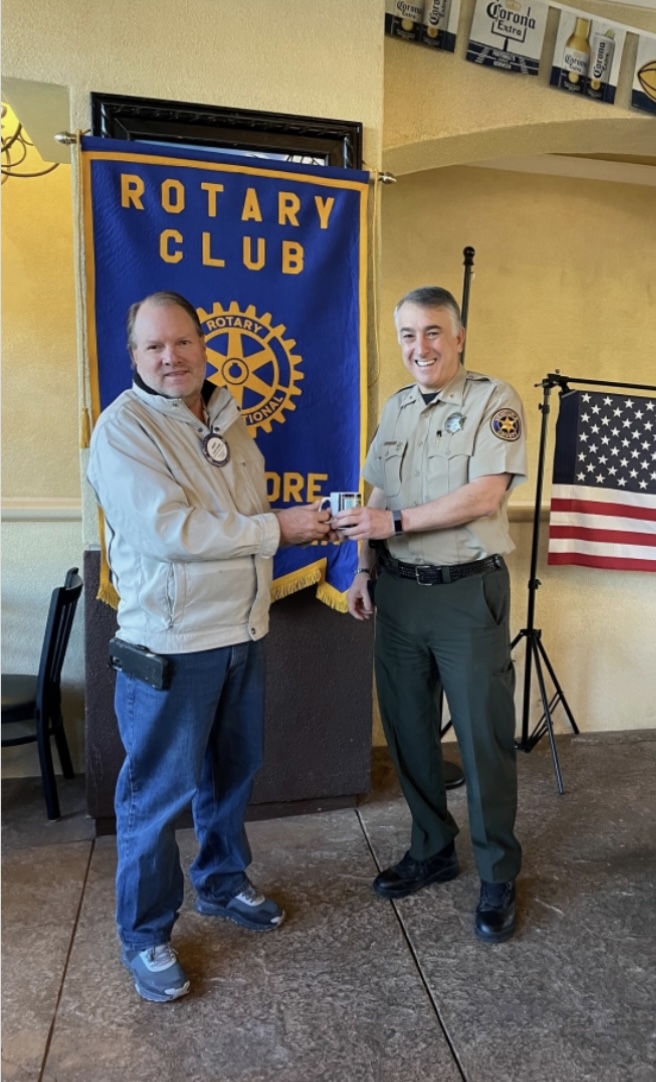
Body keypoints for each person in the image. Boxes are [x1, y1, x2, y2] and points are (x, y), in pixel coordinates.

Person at [87, 290, 332, 1002]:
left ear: (204, 343)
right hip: (171, 645)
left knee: (233, 773)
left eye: (183, 342)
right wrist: (278, 531)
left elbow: (241, 514)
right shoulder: (123, 429)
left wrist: (291, 532)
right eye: (154, 347)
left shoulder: (228, 417)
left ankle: (222, 883)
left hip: (240, 634)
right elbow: (172, 532)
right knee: (156, 797)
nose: (172, 357)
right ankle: (147, 934)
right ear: (132, 356)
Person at [336, 285, 527, 944]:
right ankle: (432, 849)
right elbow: (377, 493)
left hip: (465, 593)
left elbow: (485, 493)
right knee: (410, 732)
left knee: (482, 739)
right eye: (409, 335)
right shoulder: (396, 409)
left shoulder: (492, 400)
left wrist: (397, 521)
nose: (421, 347)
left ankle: (499, 870)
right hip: (399, 592)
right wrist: (364, 568)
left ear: (460, 334)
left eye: (434, 332)